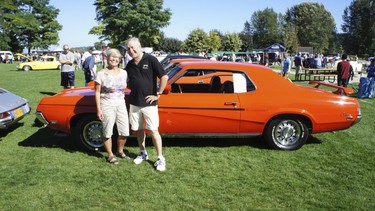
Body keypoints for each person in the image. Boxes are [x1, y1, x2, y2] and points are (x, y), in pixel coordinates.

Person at [125, 37, 168, 171]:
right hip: (134, 102)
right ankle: (142, 152)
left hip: (149, 103)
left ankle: (160, 158)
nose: (131, 51)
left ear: (139, 46)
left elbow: (164, 76)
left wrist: (159, 93)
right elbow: (126, 80)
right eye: (128, 49)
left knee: (154, 130)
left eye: (133, 48)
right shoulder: (130, 65)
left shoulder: (150, 59)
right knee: (138, 129)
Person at [95, 48, 129, 165]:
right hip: (106, 104)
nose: (114, 59)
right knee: (107, 131)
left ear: (119, 60)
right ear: (107, 58)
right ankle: (110, 154)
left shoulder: (124, 73)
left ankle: (120, 151)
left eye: (117, 57)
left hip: (121, 104)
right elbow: (97, 92)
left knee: (124, 131)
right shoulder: (101, 74)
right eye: (112, 57)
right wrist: (99, 109)